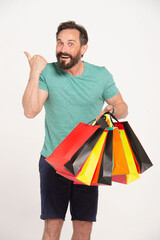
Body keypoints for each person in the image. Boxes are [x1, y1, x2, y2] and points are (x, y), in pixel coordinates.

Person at [22, 21, 128, 240]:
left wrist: (112, 109)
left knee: (83, 229)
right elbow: (30, 111)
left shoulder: (100, 76)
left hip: (88, 162)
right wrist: (34, 72)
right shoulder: (47, 73)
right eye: (60, 43)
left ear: (83, 48)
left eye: (71, 44)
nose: (63, 49)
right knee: (52, 228)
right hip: (53, 160)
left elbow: (123, 107)